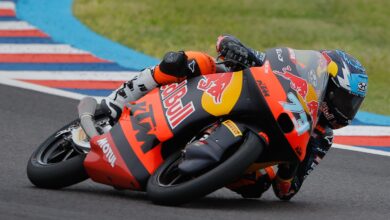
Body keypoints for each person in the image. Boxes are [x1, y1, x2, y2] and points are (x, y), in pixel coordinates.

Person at [100, 35, 368, 200]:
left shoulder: (322, 138)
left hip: (258, 147)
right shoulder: (293, 70)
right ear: (327, 85)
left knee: (258, 184)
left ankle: (204, 172)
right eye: (345, 99)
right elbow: (239, 48)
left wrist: (291, 165)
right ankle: (114, 104)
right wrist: (233, 46)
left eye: (353, 104)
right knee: (189, 61)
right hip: (226, 94)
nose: (347, 109)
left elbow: (286, 190)